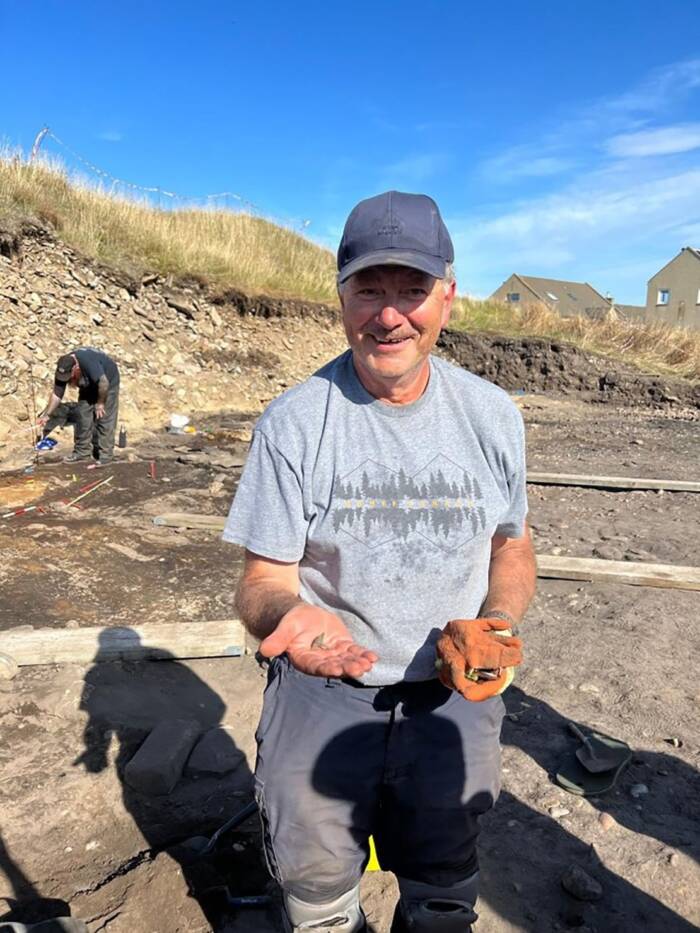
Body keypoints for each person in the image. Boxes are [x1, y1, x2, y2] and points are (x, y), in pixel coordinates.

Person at [223, 191, 537, 932]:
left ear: (447, 300)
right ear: (341, 297)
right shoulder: (294, 424)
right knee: (316, 879)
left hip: (451, 693)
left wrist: (497, 619)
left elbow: (512, 544)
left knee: (444, 880)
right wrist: (289, 615)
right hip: (324, 693)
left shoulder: (493, 417)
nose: (389, 314)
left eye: (412, 290)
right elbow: (262, 581)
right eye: (370, 287)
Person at [38, 348, 120, 465]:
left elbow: (103, 383)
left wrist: (100, 403)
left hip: (107, 383)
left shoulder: (88, 363)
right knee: (82, 414)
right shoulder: (63, 368)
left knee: (104, 417)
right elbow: (57, 395)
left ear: (76, 368)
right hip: (87, 384)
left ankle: (105, 455)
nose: (68, 380)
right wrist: (47, 415)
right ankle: (83, 452)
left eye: (70, 377)